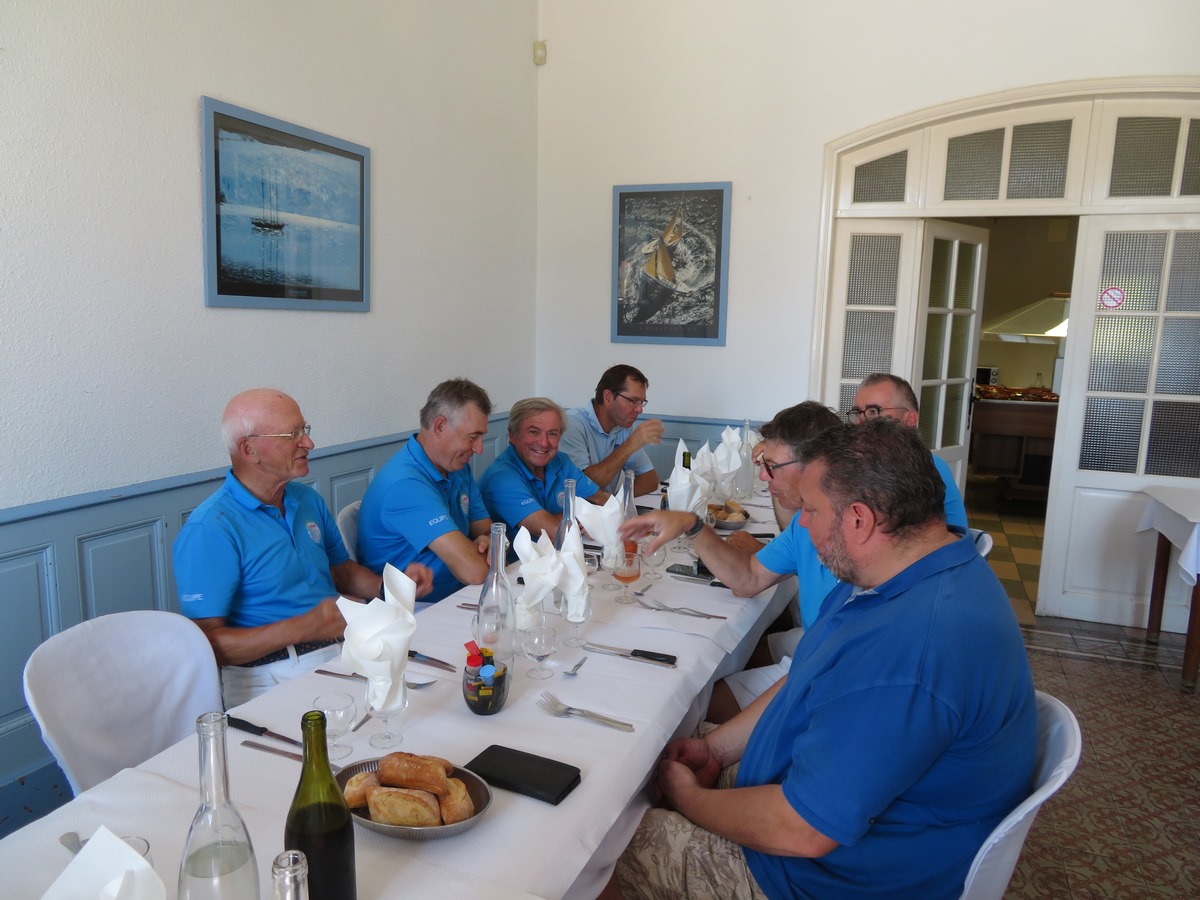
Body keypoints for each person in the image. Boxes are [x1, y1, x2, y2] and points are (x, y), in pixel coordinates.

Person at [606, 419, 1037, 900]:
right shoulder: (898, 577)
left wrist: (689, 799)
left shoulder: (911, 648)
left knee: (606, 844)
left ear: (860, 519)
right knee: (651, 762)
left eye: (810, 510)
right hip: (823, 798)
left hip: (825, 878)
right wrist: (717, 751)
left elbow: (801, 829)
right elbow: (804, 678)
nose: (802, 523)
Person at [174, 388, 434, 707]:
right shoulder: (211, 527)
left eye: (304, 430)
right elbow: (206, 643)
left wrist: (390, 587)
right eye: (292, 434)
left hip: (343, 651)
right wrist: (305, 627)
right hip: (269, 675)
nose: (308, 443)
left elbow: (341, 571)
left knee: (425, 705)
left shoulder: (305, 499)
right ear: (249, 450)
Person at [621, 401, 842, 721]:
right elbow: (748, 578)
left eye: (772, 466)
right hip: (816, 650)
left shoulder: (852, 538)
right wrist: (692, 525)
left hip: (833, 677)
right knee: (728, 669)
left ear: (815, 465)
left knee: (690, 707)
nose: (763, 475)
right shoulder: (804, 522)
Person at [357, 378, 495, 604]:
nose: (479, 449)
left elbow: (489, 532)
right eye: (472, 437)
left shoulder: (457, 467)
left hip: (458, 597)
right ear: (439, 426)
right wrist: (485, 551)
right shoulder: (406, 484)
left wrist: (489, 542)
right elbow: (476, 572)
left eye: (482, 437)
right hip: (414, 610)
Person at [847, 372, 968, 533]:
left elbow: (958, 534)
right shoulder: (848, 464)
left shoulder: (933, 468)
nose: (861, 421)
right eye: (857, 412)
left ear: (909, 419)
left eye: (873, 411)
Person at [478, 397, 610, 539]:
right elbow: (554, 531)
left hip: (568, 549)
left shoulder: (561, 461)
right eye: (534, 432)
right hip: (528, 555)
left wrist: (587, 515)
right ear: (513, 435)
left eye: (552, 434)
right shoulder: (500, 478)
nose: (544, 443)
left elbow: (604, 500)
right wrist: (590, 516)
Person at [561, 364, 663, 495]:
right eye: (633, 400)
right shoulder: (572, 423)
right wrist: (630, 445)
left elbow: (650, 479)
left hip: (604, 506)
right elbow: (582, 487)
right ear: (608, 397)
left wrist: (616, 501)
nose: (640, 409)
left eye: (641, 402)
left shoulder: (622, 426)